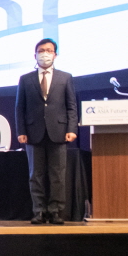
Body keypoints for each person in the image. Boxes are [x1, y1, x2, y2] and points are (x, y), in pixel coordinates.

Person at [15, 38, 79, 225]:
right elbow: (20, 108)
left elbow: (71, 106)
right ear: (35, 55)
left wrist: (71, 129)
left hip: (58, 131)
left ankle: (55, 211)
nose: (45, 54)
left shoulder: (65, 77)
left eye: (49, 50)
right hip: (33, 133)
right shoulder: (25, 79)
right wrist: (21, 131)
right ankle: (39, 211)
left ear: (55, 55)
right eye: (41, 50)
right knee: (36, 175)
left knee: (57, 175)